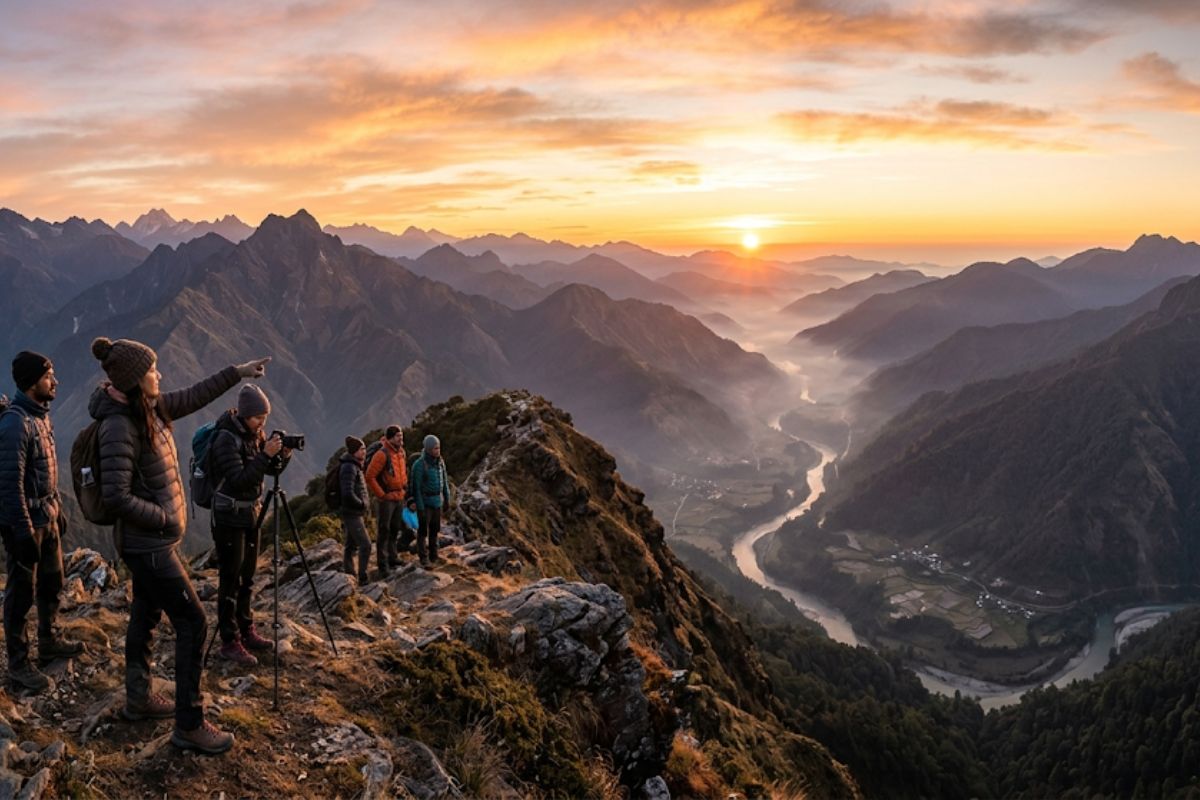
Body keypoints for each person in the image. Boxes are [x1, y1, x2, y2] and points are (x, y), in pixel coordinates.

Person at [89, 336, 269, 756]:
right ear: (136, 380)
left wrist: (237, 373)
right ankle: (189, 723)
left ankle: (138, 700)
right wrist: (165, 518)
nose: (160, 374)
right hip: (149, 544)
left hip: (151, 543)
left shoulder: (146, 408)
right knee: (194, 622)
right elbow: (115, 496)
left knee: (146, 614)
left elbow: (193, 395)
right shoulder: (119, 425)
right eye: (153, 370)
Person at [0, 351, 84, 692]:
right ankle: (19, 664)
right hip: (27, 522)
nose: (56, 382)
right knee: (20, 594)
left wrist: (58, 507)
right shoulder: (15, 424)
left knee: (52, 581)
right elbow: (9, 483)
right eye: (50, 376)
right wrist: (21, 531)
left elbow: (45, 470)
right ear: (33, 381)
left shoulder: (39, 416)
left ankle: (49, 640)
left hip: (46, 517)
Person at [208, 384, 291, 668]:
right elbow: (240, 479)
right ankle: (229, 641)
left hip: (250, 514)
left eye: (265, 417)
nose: (262, 423)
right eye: (258, 418)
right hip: (228, 516)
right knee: (230, 580)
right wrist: (265, 454)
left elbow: (266, 471)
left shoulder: (256, 435)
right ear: (244, 415)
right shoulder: (225, 439)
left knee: (248, 577)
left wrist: (282, 456)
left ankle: (246, 629)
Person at [365, 425, 407, 577]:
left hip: (399, 497)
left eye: (401, 436)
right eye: (398, 436)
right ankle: (383, 566)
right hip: (387, 499)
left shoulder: (401, 452)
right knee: (384, 531)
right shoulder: (382, 454)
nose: (401, 439)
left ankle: (393, 558)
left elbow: (402, 472)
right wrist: (381, 495)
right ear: (390, 438)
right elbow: (369, 476)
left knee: (395, 529)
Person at [410, 435, 451, 567]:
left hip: (437, 501)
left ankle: (434, 554)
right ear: (428, 449)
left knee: (435, 529)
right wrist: (420, 508)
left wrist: (447, 499)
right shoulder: (419, 465)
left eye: (438, 447)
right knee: (423, 531)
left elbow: (444, 481)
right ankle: (423, 558)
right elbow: (415, 488)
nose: (438, 450)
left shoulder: (440, 462)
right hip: (426, 503)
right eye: (435, 448)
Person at [339, 436, 371, 583]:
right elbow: (347, 492)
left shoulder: (354, 465)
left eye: (364, 448)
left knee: (351, 546)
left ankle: (349, 575)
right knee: (366, 545)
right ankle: (363, 578)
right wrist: (361, 504)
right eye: (361, 449)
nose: (364, 451)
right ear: (354, 452)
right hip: (352, 513)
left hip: (353, 512)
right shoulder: (349, 467)